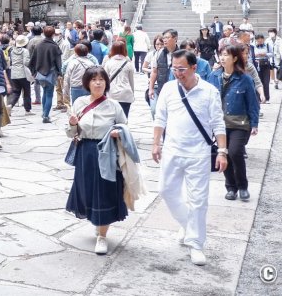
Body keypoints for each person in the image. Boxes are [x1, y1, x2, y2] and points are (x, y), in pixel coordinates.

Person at [153, 50, 228, 266]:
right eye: (174, 69)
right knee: (165, 190)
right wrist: (156, 143)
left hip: (199, 153)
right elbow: (160, 118)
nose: (177, 73)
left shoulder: (209, 91)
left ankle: (196, 244)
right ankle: (187, 223)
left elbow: (218, 124)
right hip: (172, 150)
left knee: (198, 199)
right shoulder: (168, 88)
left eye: (182, 69)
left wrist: (222, 152)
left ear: (194, 68)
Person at [66, 67, 131, 255]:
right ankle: (98, 222)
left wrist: (118, 133)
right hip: (85, 152)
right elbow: (73, 133)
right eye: (94, 79)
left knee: (104, 192)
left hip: (107, 152)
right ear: (87, 83)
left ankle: (102, 236)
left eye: (101, 79)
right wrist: (71, 124)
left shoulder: (114, 106)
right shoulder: (79, 103)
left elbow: (125, 128)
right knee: (87, 191)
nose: (98, 83)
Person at [210, 45, 259, 202]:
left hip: (240, 123)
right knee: (224, 153)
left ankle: (243, 186)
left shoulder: (245, 79)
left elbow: (253, 103)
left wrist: (254, 123)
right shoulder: (214, 76)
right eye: (221, 55)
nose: (223, 58)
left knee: (235, 152)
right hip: (219, 125)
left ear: (235, 58)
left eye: (226, 55)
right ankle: (231, 187)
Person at [29, 26, 63, 123]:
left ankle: (44, 113)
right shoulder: (54, 46)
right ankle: (46, 115)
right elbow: (58, 62)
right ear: (53, 34)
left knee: (45, 92)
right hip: (50, 73)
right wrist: (59, 73)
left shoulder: (39, 45)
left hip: (40, 73)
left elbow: (32, 60)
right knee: (49, 94)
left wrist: (34, 72)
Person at [103, 41, 135, 117]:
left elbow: (105, 80)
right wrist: (132, 94)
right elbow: (131, 81)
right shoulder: (128, 64)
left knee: (111, 118)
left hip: (112, 93)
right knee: (124, 118)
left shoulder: (108, 63)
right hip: (126, 94)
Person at [7, 35, 33, 115]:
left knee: (16, 92)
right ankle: (27, 110)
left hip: (14, 73)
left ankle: (10, 105)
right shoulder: (25, 51)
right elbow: (26, 62)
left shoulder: (12, 51)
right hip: (23, 73)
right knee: (26, 92)